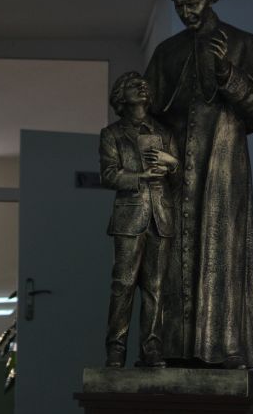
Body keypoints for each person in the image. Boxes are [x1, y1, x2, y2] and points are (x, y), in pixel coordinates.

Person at [144, 0, 253, 369]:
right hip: (174, 168)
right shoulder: (166, 52)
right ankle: (169, 346)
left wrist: (227, 73)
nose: (187, 11)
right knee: (169, 252)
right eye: (179, 5)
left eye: (193, 2)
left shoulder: (243, 44)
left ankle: (222, 346)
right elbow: (147, 114)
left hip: (222, 164)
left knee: (222, 247)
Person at [99, 71, 180, 368]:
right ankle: (116, 349)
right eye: (134, 85)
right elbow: (108, 175)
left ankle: (151, 349)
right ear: (121, 96)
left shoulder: (164, 132)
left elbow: (180, 178)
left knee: (156, 287)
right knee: (123, 285)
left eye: (144, 84)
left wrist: (173, 164)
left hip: (161, 216)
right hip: (129, 216)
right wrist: (140, 176)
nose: (142, 87)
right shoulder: (112, 134)